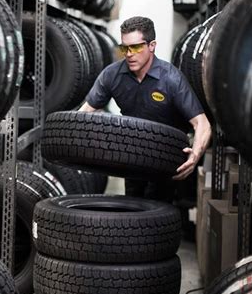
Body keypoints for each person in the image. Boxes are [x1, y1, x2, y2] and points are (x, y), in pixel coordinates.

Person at [79, 16, 212, 202]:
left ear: (152, 46)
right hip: (132, 154)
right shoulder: (111, 75)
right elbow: (84, 113)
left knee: (161, 207)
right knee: (133, 205)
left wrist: (195, 156)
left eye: (135, 47)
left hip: (166, 157)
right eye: (124, 48)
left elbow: (202, 124)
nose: (129, 54)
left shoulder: (171, 78)